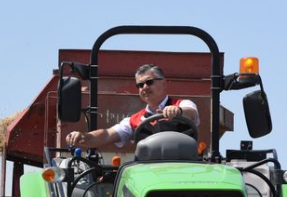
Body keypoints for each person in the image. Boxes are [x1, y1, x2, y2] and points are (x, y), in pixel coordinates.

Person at [66, 64, 200, 149]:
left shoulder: (182, 105)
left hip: (183, 168)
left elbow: (190, 113)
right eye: (140, 85)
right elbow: (107, 134)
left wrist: (177, 111)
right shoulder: (134, 120)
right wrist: (83, 137)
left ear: (164, 83)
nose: (144, 87)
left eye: (149, 82)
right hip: (148, 172)